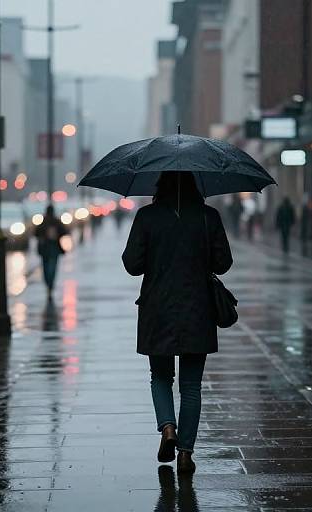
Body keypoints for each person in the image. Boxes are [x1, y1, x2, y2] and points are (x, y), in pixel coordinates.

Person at [122, 172, 232, 474]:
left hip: (158, 309)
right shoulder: (209, 217)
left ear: (161, 185)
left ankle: (168, 427)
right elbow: (224, 263)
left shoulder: (147, 217)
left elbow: (132, 264)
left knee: (160, 378)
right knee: (192, 386)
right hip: (197, 309)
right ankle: (185, 453)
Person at [35, 205, 68, 296]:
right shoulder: (56, 221)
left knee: (46, 267)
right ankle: (50, 283)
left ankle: (48, 283)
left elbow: (36, 233)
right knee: (52, 267)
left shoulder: (43, 222)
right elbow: (64, 231)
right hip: (54, 247)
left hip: (45, 248)